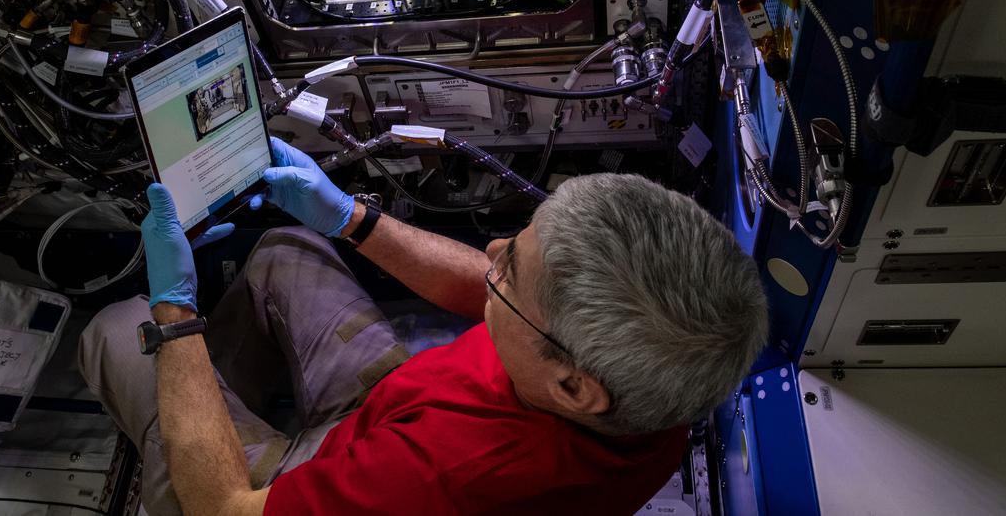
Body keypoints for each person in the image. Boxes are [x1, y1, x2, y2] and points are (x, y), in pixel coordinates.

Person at [79, 137, 768, 516]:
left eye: (509, 272)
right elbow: (500, 290)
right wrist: (351, 216)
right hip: (395, 407)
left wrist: (175, 311)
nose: (490, 257)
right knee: (285, 250)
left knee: (118, 328)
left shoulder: (447, 481)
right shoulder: (668, 372)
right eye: (513, 241)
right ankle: (217, 415)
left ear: (573, 385)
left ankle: (207, 452)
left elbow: (226, 514)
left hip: (319, 483)